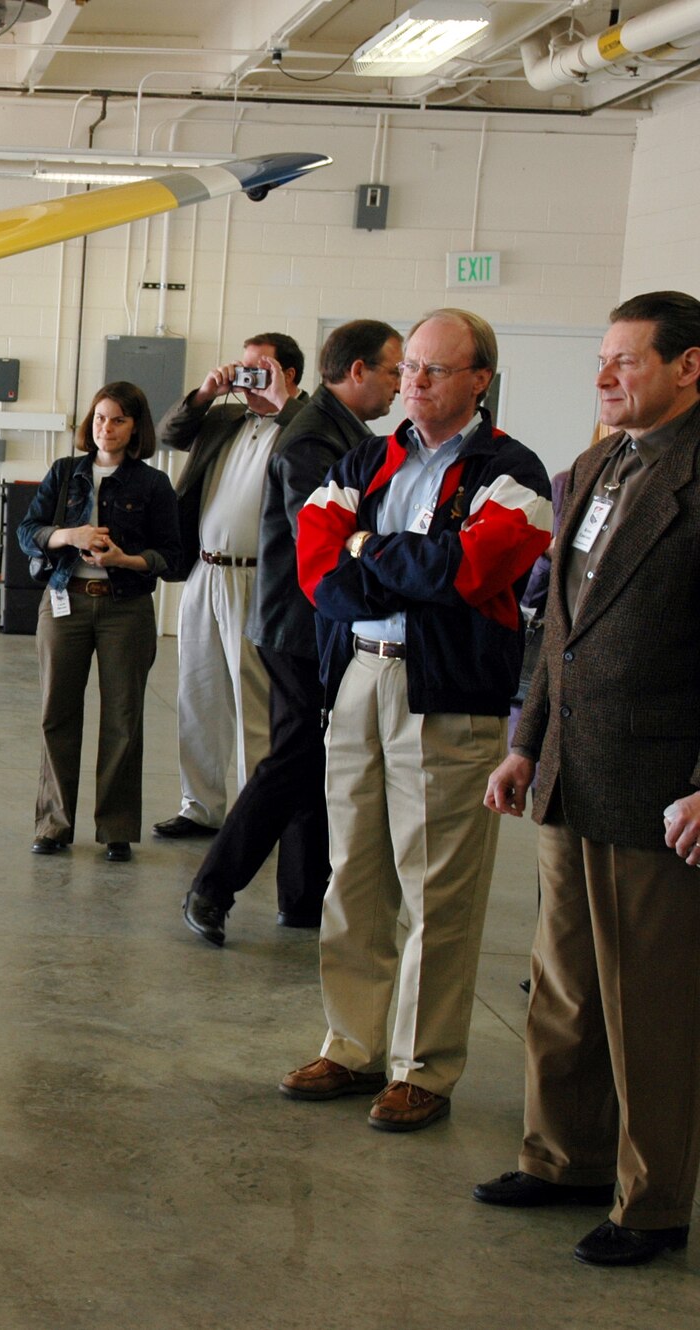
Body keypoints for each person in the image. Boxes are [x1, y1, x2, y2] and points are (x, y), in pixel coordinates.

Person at [279, 308, 550, 1132]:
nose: (414, 382)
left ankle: (421, 1067)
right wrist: (394, 563)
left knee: (437, 888)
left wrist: (369, 548)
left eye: (434, 369)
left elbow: (471, 571)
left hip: (447, 695)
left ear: (480, 379)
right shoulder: (367, 460)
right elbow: (317, 563)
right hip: (361, 677)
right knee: (353, 875)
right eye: (408, 369)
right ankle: (352, 1044)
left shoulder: (514, 471)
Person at [475, 290, 700, 1267]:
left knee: (648, 1007)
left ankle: (652, 1202)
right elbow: (555, 624)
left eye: (625, 360)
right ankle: (562, 1155)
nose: (602, 376)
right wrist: (525, 740)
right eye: (601, 359)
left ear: (688, 366)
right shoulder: (599, 464)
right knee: (562, 987)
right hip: (570, 770)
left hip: (660, 787)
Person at [182, 320, 402, 946]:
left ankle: (302, 898)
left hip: (309, 621)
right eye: (394, 371)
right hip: (297, 623)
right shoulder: (312, 438)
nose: (400, 384)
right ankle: (212, 887)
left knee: (310, 754)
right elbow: (325, 535)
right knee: (296, 756)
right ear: (357, 371)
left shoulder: (338, 430)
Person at [152, 333, 308, 839]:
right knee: (198, 694)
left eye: (258, 369)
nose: (246, 379)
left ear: (287, 374)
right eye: (242, 368)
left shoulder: (304, 424)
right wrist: (205, 393)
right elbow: (169, 433)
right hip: (205, 570)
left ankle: (254, 815)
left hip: (260, 578)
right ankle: (199, 805)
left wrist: (283, 404)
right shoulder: (224, 419)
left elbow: (322, 450)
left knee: (252, 702)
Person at [17, 381, 179, 863]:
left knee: (124, 718)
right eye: (101, 418)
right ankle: (53, 824)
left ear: (135, 428)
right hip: (64, 601)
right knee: (57, 713)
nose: (107, 428)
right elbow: (28, 532)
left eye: (119, 420)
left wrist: (125, 559)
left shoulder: (153, 484)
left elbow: (172, 555)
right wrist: (70, 535)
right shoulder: (65, 472)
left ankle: (117, 828)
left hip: (125, 608)